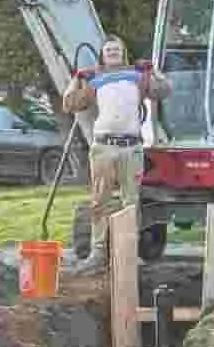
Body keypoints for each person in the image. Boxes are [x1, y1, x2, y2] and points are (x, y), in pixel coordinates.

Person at [61, 36, 160, 270]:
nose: (113, 53)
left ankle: (129, 253)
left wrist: (152, 71)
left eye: (116, 49)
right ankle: (97, 252)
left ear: (123, 53)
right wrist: (76, 78)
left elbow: (163, 91)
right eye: (108, 50)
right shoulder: (96, 81)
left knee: (130, 201)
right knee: (100, 201)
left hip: (132, 147)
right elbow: (69, 103)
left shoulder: (137, 78)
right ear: (102, 56)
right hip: (104, 147)